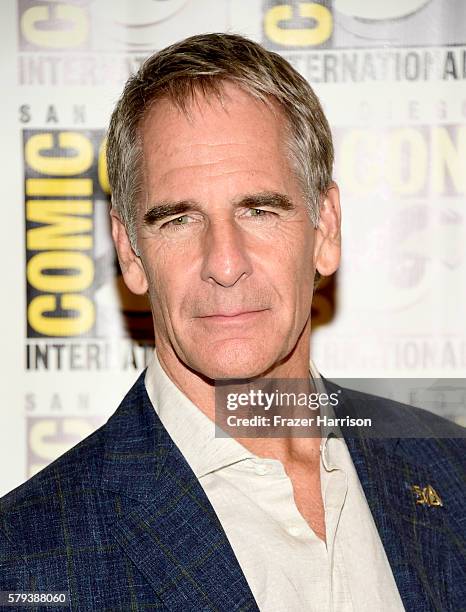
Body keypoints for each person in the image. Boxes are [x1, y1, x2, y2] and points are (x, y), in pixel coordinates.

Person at [1, 33, 464, 612]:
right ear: (129, 251)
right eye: (177, 220)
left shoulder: (452, 470)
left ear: (326, 229)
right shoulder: (23, 559)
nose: (224, 264)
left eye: (260, 210)